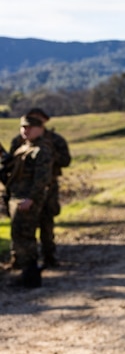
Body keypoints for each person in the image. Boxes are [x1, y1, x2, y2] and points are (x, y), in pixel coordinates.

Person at [9, 107, 70, 268]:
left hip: (44, 188)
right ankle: (20, 261)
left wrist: (49, 156)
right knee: (22, 229)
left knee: (45, 222)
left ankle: (46, 257)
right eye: (27, 123)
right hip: (22, 190)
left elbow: (65, 161)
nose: (27, 128)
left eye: (36, 121)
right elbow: (12, 166)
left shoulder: (50, 143)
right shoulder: (21, 142)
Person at [6, 113, 56, 288]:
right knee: (18, 236)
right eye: (23, 127)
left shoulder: (42, 150)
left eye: (29, 127)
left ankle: (30, 277)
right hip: (17, 198)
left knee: (26, 238)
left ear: (40, 129)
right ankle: (22, 272)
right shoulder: (23, 148)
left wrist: (31, 199)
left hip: (28, 200)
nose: (25, 130)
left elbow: (42, 180)